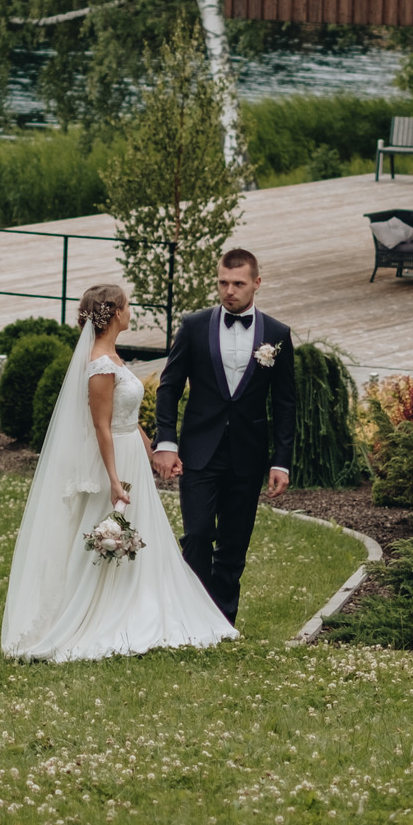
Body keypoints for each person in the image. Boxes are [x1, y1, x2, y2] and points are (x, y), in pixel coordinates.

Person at [1, 284, 237, 660]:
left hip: (130, 454)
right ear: (114, 314)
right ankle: (101, 609)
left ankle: (142, 599)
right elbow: (102, 426)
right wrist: (113, 479)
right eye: (127, 307)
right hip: (111, 460)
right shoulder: (98, 364)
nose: (131, 312)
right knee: (107, 528)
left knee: (142, 530)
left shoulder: (114, 358)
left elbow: (128, 421)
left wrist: (156, 452)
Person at [149, 250, 298, 625]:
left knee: (233, 545)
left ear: (256, 284)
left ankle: (222, 622)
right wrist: (165, 442)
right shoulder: (195, 326)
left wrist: (281, 459)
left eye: (238, 284)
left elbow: (285, 403)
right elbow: (168, 388)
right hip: (198, 452)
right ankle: (193, 617)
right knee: (198, 535)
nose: (229, 291)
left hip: (247, 455)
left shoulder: (277, 335)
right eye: (223, 283)